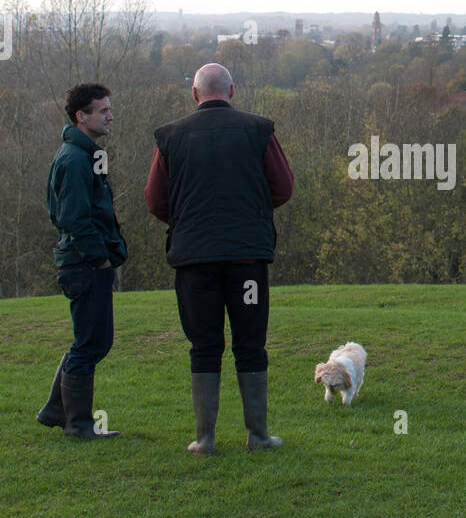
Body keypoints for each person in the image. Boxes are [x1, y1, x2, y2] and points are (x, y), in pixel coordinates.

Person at [145, 63, 294, 454]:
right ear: (232, 90)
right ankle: (258, 435)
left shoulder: (170, 137)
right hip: (246, 261)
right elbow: (282, 188)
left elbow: (156, 201)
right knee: (251, 342)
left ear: (195, 94)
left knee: (204, 344)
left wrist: (189, 222)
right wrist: (251, 212)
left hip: (195, 262)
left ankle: (205, 438)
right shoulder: (259, 131)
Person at [37, 83, 128, 439]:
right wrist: (100, 260)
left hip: (84, 263)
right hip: (84, 265)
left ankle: (55, 410)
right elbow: (74, 218)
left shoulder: (81, 154)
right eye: (103, 110)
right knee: (91, 343)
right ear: (81, 116)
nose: (110, 115)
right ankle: (78, 424)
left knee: (92, 340)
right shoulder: (75, 159)